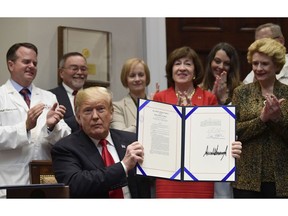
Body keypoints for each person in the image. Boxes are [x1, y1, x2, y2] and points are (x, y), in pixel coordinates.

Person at [153, 46, 242, 198]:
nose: (182, 68)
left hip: (200, 177)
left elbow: (215, 137)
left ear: (195, 71)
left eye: (187, 64)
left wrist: (229, 146)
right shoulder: (160, 98)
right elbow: (157, 137)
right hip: (168, 176)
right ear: (171, 69)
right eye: (177, 63)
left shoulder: (208, 98)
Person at [51, 86, 151, 198]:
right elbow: (76, 185)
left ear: (111, 113)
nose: (95, 116)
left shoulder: (131, 141)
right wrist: (123, 166)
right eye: (88, 110)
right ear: (78, 117)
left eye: (101, 109)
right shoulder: (65, 148)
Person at [0, 42, 71, 198]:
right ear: (11, 65)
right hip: (9, 181)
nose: (32, 66)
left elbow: (66, 137)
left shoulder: (49, 97)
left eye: (35, 63)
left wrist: (52, 127)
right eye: (26, 61)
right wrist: (24, 127)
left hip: (44, 180)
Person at [232, 38, 288, 198]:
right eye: (255, 63)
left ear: (276, 65)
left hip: (281, 180)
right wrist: (262, 119)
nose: (258, 68)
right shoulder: (241, 93)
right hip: (246, 179)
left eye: (264, 64)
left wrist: (278, 120)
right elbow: (234, 132)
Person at [200, 42, 242, 198]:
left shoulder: (241, 91)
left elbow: (239, 127)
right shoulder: (197, 89)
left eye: (226, 63)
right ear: (210, 61)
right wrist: (211, 98)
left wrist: (223, 101)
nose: (221, 66)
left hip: (228, 159)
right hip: (202, 159)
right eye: (217, 61)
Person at [111, 57, 159, 133]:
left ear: (146, 78)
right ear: (125, 79)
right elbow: (121, 136)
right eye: (132, 76)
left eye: (141, 75)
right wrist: (147, 110)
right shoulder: (117, 107)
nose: (137, 79)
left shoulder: (156, 103)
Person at [49, 52, 88, 133]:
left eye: (83, 69)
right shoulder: (49, 96)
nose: (80, 72)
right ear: (61, 73)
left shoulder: (94, 96)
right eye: (74, 68)